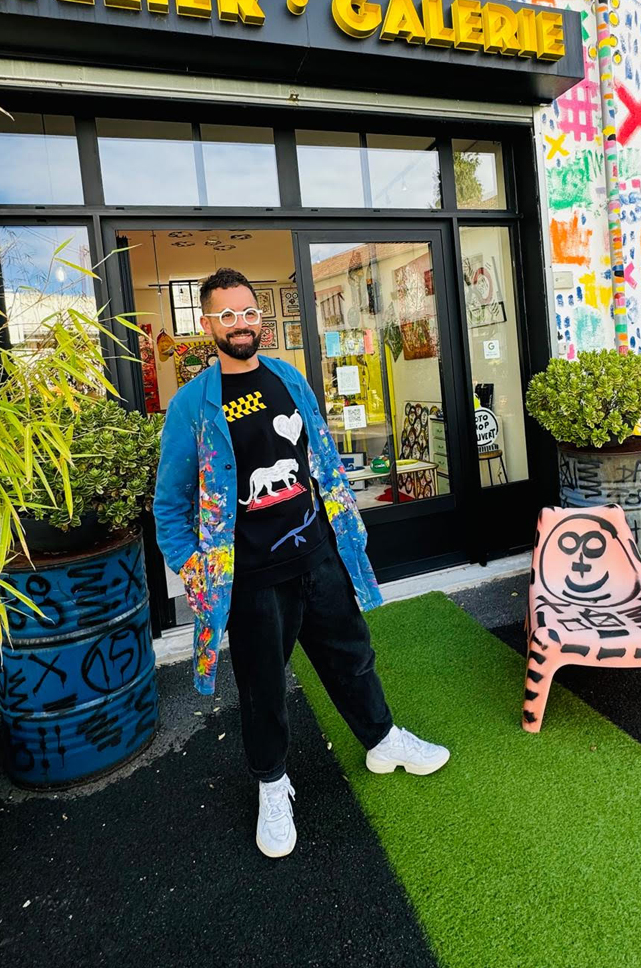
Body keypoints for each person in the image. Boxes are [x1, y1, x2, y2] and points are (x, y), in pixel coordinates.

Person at [153, 267, 449, 858]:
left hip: (317, 554)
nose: (241, 324)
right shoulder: (192, 405)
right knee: (263, 688)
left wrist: (341, 531)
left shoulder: (288, 378)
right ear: (208, 324)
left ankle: (382, 739)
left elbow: (320, 457)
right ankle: (271, 784)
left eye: (248, 312)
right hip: (252, 577)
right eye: (227, 315)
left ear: (259, 317)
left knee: (353, 657)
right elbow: (170, 504)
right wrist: (194, 569)